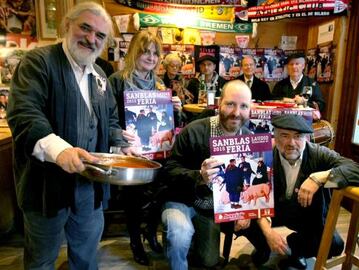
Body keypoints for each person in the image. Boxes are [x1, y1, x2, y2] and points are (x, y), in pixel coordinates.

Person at [6, 2, 134, 269]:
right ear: (66, 26)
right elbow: (24, 114)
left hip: (89, 187)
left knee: (86, 257)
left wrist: (120, 143)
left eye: (99, 35)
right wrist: (61, 151)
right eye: (85, 28)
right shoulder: (38, 63)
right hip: (46, 188)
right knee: (41, 259)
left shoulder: (99, 74)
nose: (91, 39)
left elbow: (108, 118)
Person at [162, 80, 270, 269]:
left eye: (243, 106)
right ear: (219, 103)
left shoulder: (251, 140)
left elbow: (250, 182)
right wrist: (199, 176)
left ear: (250, 108)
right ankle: (176, 245)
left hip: (212, 209)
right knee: (179, 234)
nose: (236, 112)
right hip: (183, 200)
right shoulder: (194, 130)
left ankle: (193, 242)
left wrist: (244, 211)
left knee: (208, 260)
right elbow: (169, 170)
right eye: (230, 104)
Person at [251, 114, 359, 269]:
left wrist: (319, 177)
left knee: (334, 245)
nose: (291, 143)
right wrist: (268, 234)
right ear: (275, 136)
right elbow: (251, 194)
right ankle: (264, 246)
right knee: (241, 219)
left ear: (306, 138)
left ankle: (296, 248)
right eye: (284, 135)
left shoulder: (319, 153)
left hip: (306, 215)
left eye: (298, 136)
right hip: (274, 211)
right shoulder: (264, 155)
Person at [109, 29, 182, 265]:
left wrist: (176, 109)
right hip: (130, 151)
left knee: (159, 193)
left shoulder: (160, 84)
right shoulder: (117, 81)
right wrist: (119, 134)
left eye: (154, 53)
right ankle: (134, 240)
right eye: (145, 52)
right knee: (133, 197)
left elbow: (169, 123)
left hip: (157, 149)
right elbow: (107, 118)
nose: (150, 57)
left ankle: (150, 231)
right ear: (133, 53)